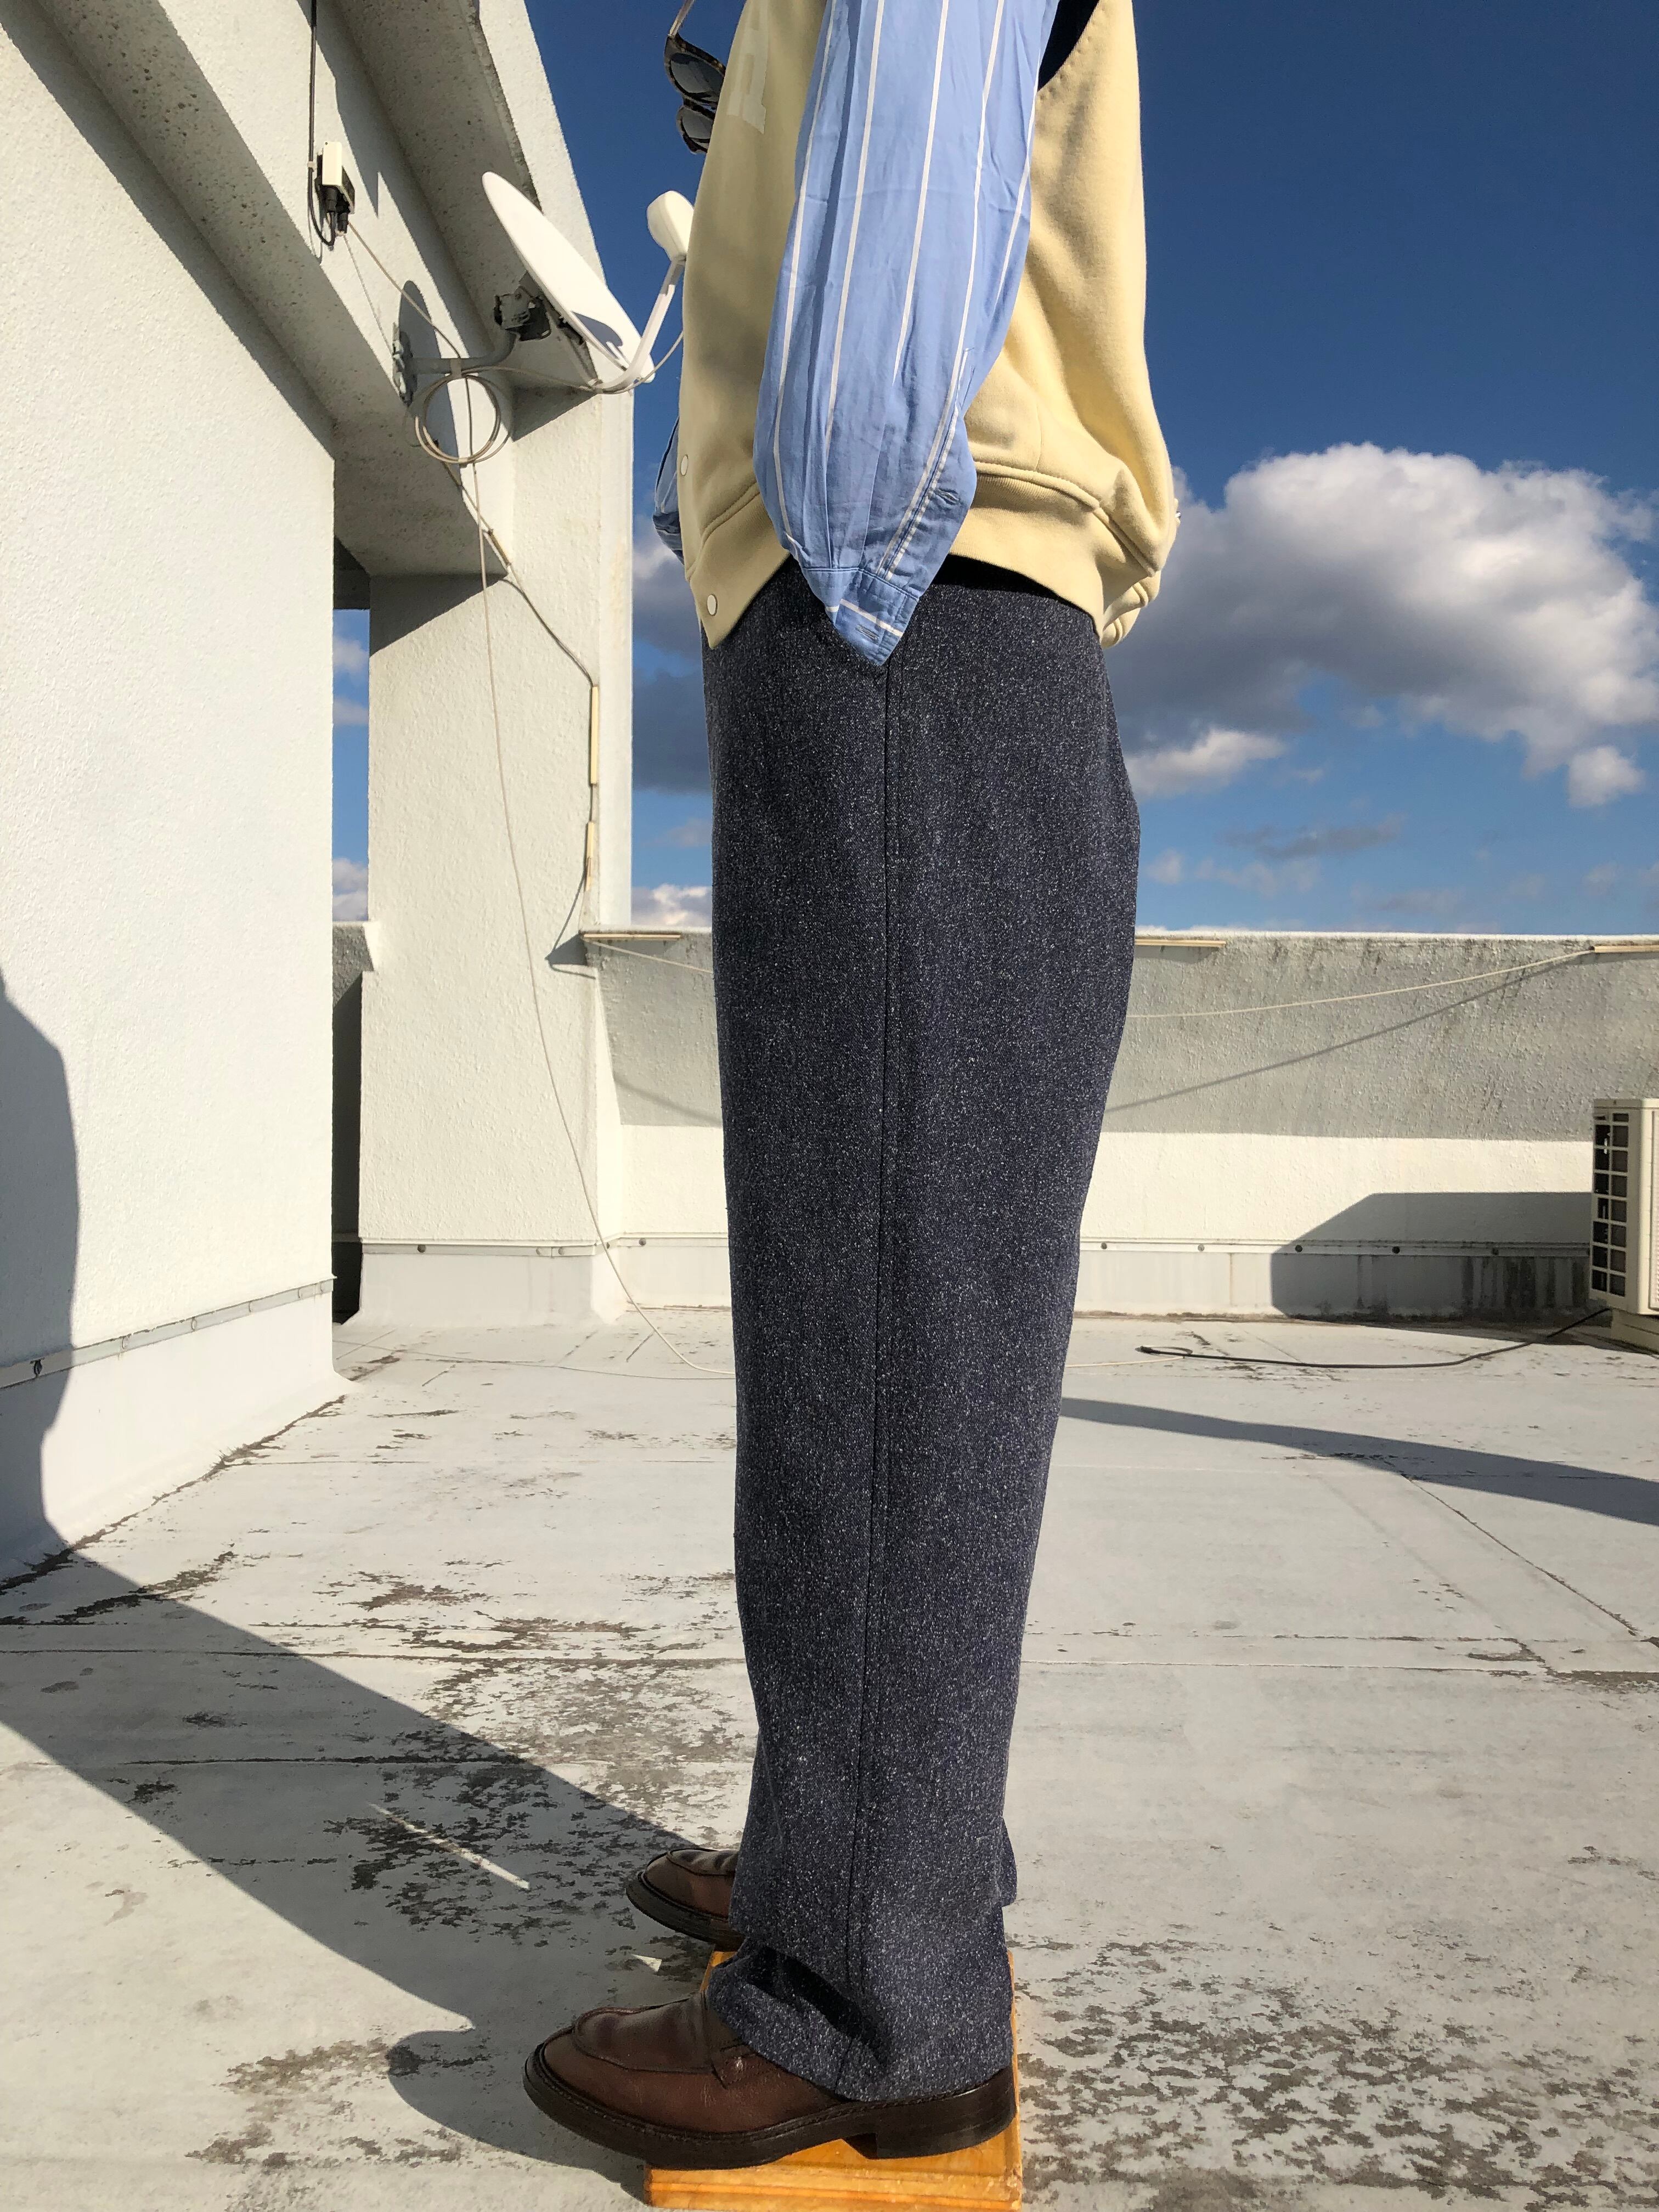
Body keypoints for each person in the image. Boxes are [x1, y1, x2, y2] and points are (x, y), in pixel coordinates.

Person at [524, 0, 1176, 2168]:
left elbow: (916, 121)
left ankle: (873, 2002)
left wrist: (845, 540)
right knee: (884, 1329)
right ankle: (869, 1860)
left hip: (900, 594)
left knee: (884, 1338)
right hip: (927, 606)